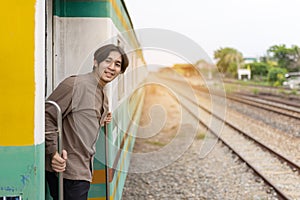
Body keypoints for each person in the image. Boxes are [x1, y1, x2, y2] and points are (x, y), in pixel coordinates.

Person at [45, 44, 129, 200]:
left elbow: (82, 116)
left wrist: (102, 118)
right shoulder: (75, 85)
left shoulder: (102, 93)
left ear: (120, 71)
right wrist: (53, 152)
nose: (111, 67)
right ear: (96, 62)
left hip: (82, 168)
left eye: (117, 64)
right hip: (67, 170)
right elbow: (46, 114)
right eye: (107, 61)